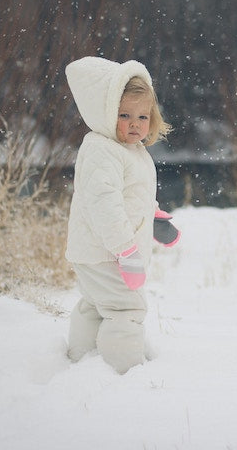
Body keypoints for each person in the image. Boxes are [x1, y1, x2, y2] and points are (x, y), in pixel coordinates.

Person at [64, 56, 179, 373]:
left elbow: (132, 196)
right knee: (126, 307)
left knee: (95, 305)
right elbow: (104, 206)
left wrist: (154, 219)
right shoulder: (103, 149)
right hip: (108, 252)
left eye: (142, 116)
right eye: (124, 115)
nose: (135, 123)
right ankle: (124, 370)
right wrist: (126, 252)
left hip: (95, 250)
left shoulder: (130, 150)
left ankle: (81, 358)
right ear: (105, 114)